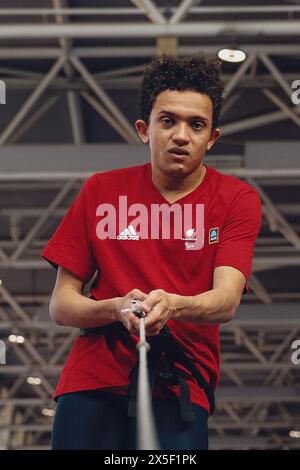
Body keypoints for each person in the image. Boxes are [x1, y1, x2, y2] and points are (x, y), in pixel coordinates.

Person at [42, 54, 261, 450]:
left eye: (196, 125)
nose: (181, 135)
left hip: (181, 383)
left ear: (212, 137)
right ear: (145, 130)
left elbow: (226, 301)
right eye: (168, 121)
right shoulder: (100, 191)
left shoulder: (236, 199)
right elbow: (61, 306)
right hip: (93, 379)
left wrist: (174, 305)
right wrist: (116, 308)